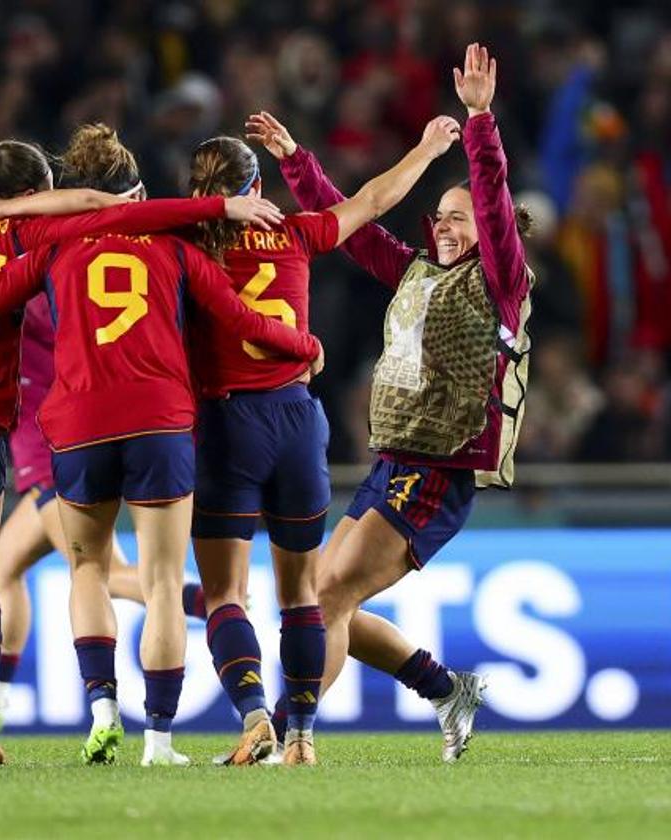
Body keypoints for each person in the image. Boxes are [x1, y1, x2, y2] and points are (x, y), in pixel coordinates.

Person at [0, 123, 323, 767]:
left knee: (82, 570)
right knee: (160, 579)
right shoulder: (170, 245)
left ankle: (95, 708)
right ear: (136, 193)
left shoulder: (32, 247)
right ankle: (160, 740)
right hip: (161, 421)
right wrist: (303, 345)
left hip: (63, 426)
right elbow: (238, 315)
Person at [258, 43, 532, 763]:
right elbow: (344, 226)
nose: (444, 226)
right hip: (393, 461)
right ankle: (446, 690)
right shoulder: (414, 273)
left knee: (328, 598)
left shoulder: (500, 284)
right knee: (325, 593)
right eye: (440, 217)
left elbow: (497, 204)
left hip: (438, 472)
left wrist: (479, 123)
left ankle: (286, 735)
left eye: (459, 219)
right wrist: (297, 162)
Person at [186, 118, 460, 766]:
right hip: (297, 422)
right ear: (257, 186)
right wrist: (425, 146)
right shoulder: (294, 232)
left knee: (226, 595)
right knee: (302, 596)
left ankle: (256, 715)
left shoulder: (189, 245)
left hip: (229, 425)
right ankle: (301, 738)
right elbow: (372, 201)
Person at [0, 289, 208, 732]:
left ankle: (199, 599)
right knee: (2, 568)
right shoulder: (70, 291)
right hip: (60, 442)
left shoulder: (40, 293)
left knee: (95, 570)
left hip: (54, 447)